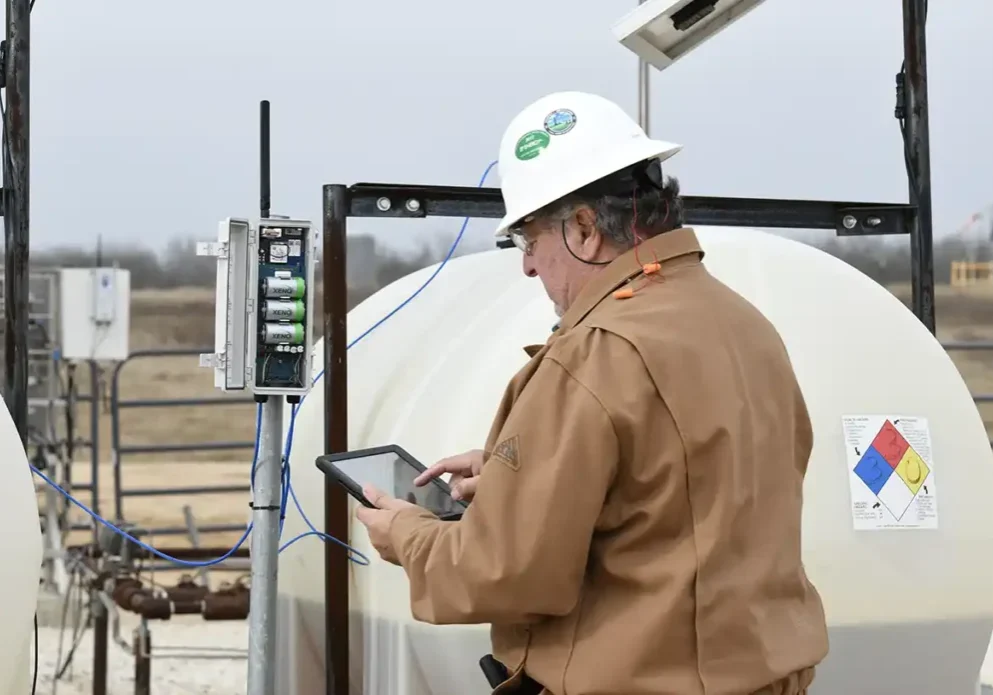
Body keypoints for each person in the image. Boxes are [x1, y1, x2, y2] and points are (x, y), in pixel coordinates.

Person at [353, 90, 829, 695]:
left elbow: (507, 573)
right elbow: (686, 487)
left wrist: (409, 536)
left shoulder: (595, 353)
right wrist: (519, 474)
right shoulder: (744, 324)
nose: (528, 267)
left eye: (529, 241)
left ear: (583, 229)